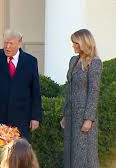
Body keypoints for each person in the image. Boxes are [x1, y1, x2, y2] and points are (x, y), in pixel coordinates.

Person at [60, 29, 102, 168]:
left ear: (84, 43)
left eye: (75, 43)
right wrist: (65, 114)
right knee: (70, 153)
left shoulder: (94, 62)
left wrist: (89, 119)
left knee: (83, 155)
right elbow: (69, 88)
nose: (73, 46)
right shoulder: (73, 60)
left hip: (84, 116)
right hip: (71, 115)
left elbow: (94, 91)